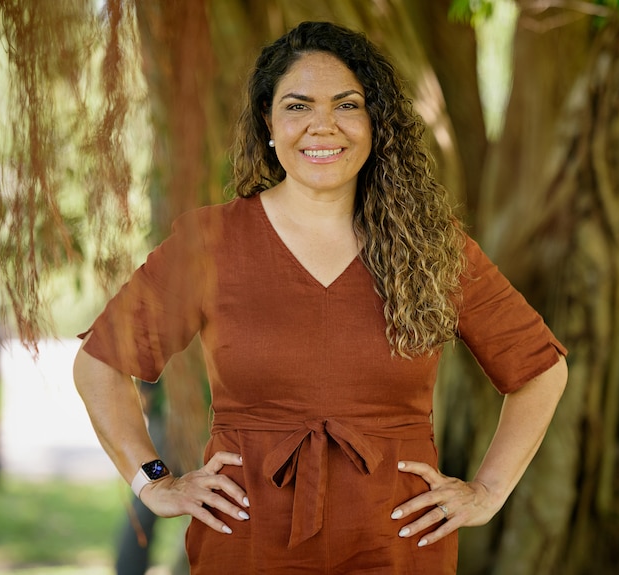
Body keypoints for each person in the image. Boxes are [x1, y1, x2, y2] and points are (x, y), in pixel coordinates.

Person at [74, 21, 568, 574]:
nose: (322, 126)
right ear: (268, 122)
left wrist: (488, 491)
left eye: (347, 105)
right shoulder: (209, 243)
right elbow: (100, 364)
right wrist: (154, 482)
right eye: (297, 106)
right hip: (247, 542)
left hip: (400, 543)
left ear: (375, 121)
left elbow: (538, 370)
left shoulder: (431, 247)